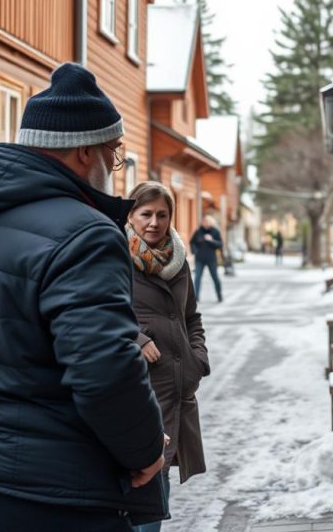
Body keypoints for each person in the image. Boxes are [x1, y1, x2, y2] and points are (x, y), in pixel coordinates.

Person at [0, 62, 167, 532]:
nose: (116, 166)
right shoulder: (86, 235)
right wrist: (146, 450)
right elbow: (104, 371)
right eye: (115, 153)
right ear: (86, 152)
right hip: (55, 497)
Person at [126, 182, 210, 532]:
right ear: (130, 215)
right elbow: (101, 312)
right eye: (146, 214)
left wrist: (198, 357)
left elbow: (191, 316)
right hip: (137, 388)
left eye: (162, 214)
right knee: (137, 482)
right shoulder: (114, 256)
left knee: (158, 488)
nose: (154, 222)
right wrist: (137, 338)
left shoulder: (178, 260)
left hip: (174, 385)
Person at [191, 216, 224, 302]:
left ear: (211, 222)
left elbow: (220, 244)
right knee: (197, 278)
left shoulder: (215, 232)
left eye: (207, 221)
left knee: (215, 277)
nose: (205, 223)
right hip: (199, 258)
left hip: (211, 259)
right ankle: (196, 297)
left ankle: (219, 294)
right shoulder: (198, 231)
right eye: (204, 221)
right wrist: (194, 251)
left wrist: (211, 240)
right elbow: (192, 242)